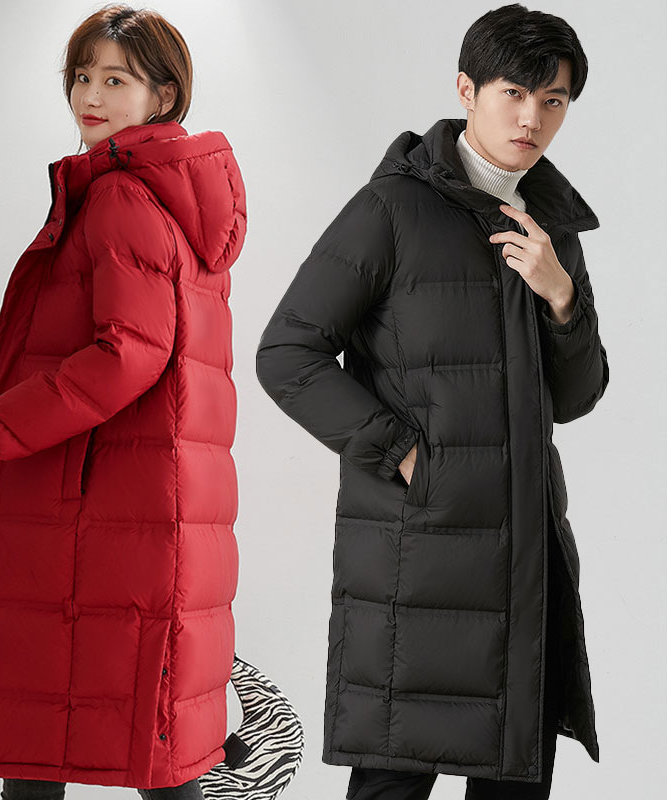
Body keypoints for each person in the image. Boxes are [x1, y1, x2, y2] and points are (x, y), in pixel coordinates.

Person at [255, 4, 607, 798]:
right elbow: (288, 352)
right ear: (467, 90)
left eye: (553, 100)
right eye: (515, 93)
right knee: (393, 779)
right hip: (417, 562)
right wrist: (401, 452)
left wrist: (560, 297)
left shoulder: (552, 229)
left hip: (524, 558)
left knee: (516, 776)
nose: (532, 118)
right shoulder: (391, 209)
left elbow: (576, 396)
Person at [0, 5, 247, 799]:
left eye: (116, 80)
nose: (91, 96)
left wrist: (0, 429)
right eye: (82, 76)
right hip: (149, 507)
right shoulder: (171, 201)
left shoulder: (120, 198)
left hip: (96, 510)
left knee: (55, 731)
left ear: (162, 96)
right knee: (136, 738)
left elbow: (129, 354)